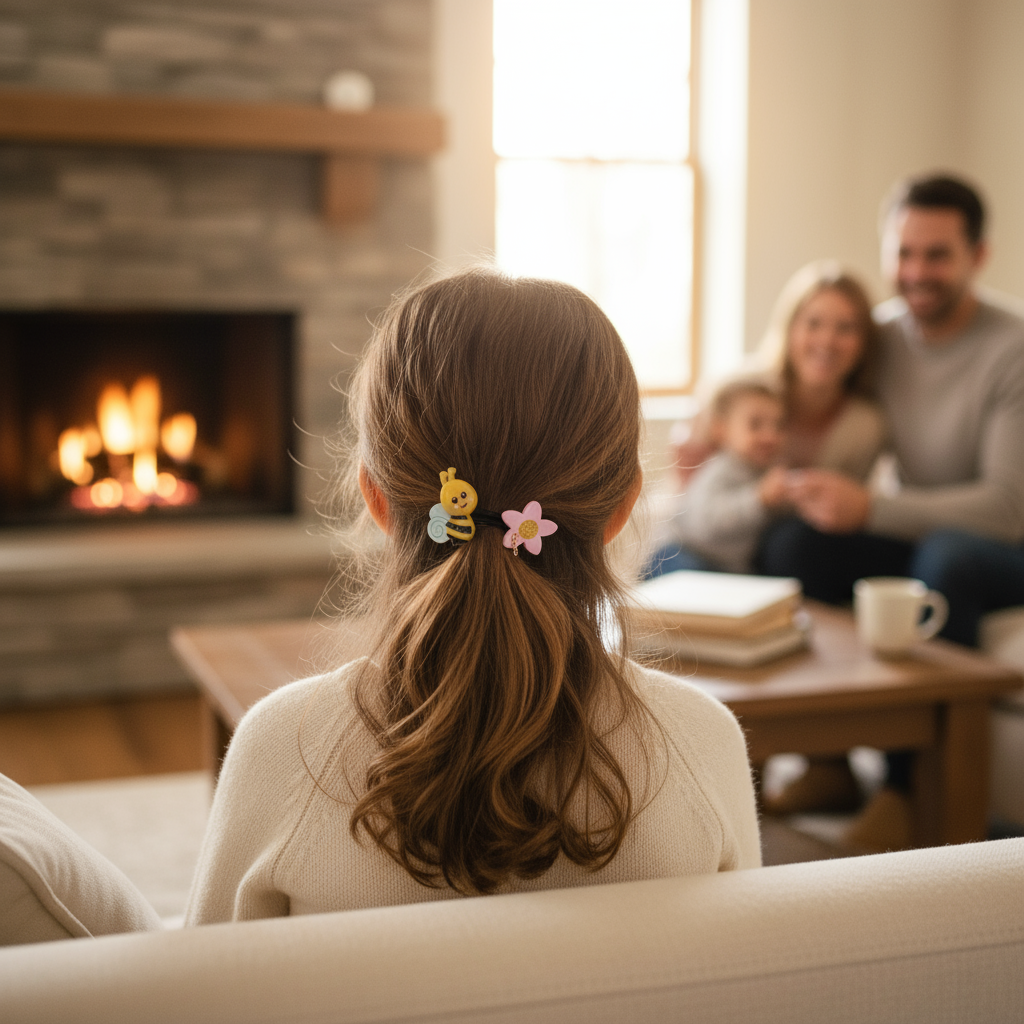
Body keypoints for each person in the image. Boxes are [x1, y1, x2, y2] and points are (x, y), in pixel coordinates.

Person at [185, 269, 760, 923]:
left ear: (376, 497)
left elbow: (204, 980)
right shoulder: (702, 745)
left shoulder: (283, 751)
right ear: (624, 505)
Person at [758, 174, 1024, 848]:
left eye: (937, 255)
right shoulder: (877, 337)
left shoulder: (1012, 347)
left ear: (978, 256)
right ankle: (828, 764)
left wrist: (871, 507)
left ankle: (907, 793)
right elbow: (792, 380)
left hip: (1002, 544)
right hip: (929, 532)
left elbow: (1006, 506)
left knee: (947, 557)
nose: (916, 272)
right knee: (796, 543)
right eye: (904, 253)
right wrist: (718, 428)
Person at [649, 261, 885, 577]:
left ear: (864, 341)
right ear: (790, 328)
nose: (827, 340)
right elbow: (691, 482)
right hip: (693, 544)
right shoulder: (745, 390)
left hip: (754, 556)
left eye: (845, 328)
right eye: (813, 323)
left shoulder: (865, 425)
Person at [654, 377, 788, 574]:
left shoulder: (769, 472)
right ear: (721, 429)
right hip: (682, 553)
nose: (770, 435)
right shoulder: (720, 470)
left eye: (779, 426)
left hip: (726, 565)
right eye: (755, 425)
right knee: (692, 576)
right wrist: (759, 499)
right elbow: (707, 525)